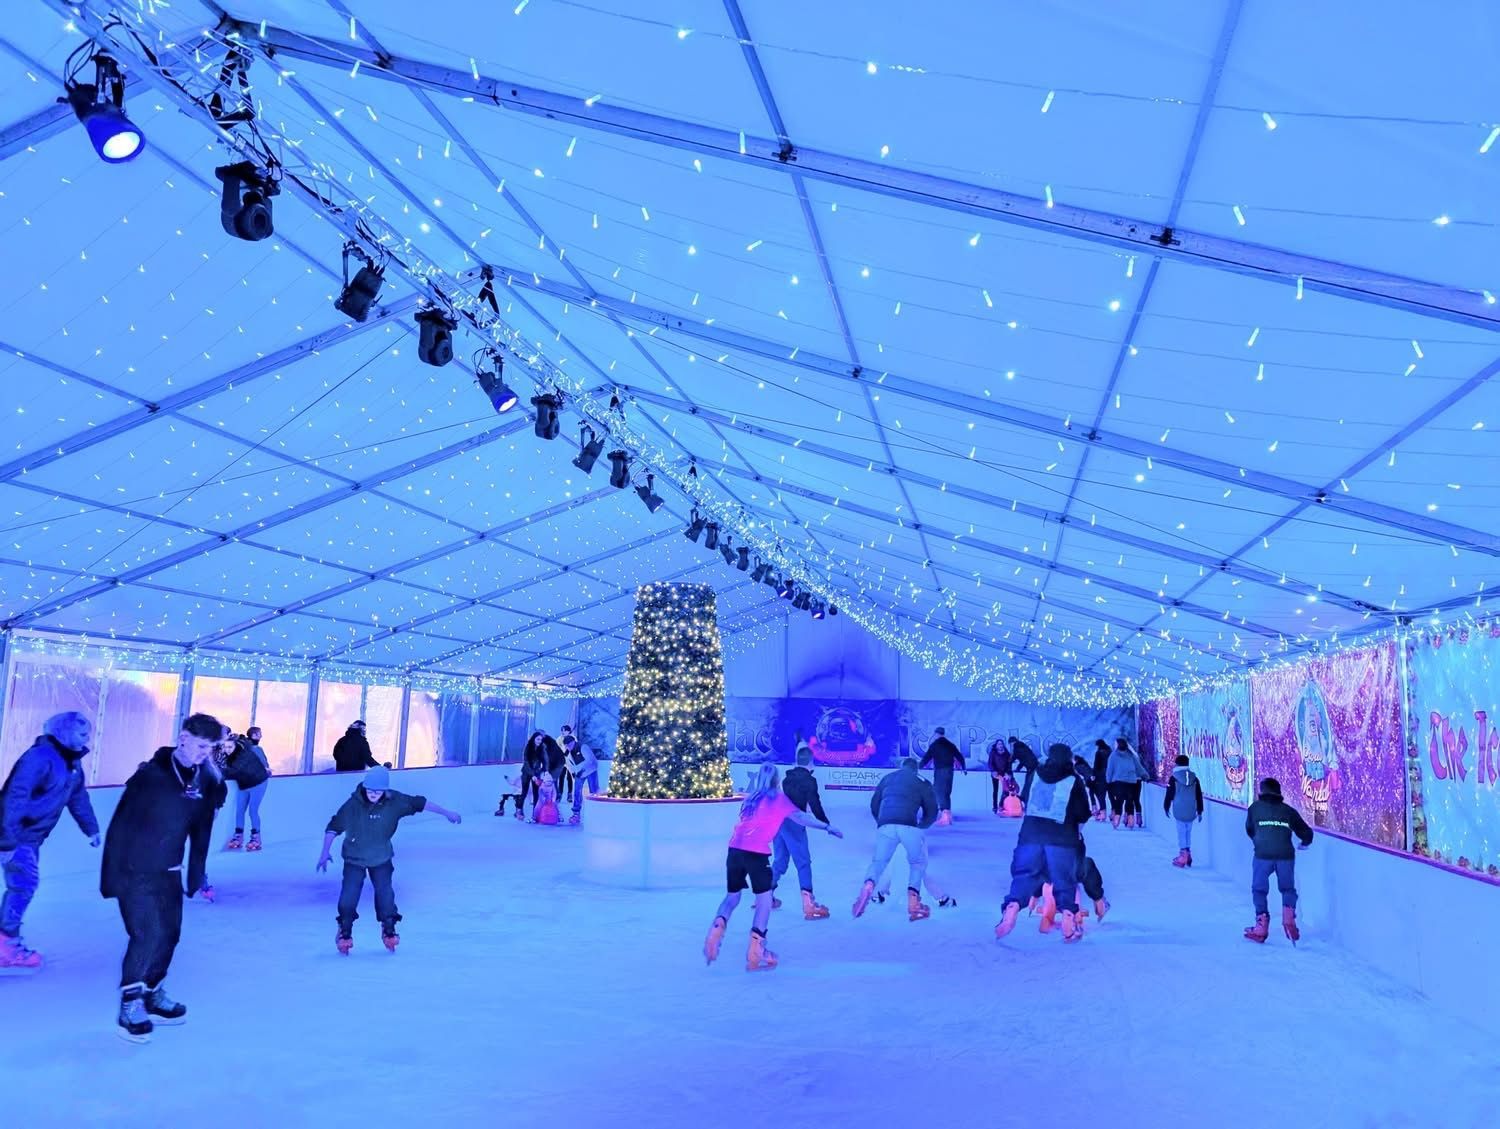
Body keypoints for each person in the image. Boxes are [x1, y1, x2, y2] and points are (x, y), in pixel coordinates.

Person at [100, 712, 224, 1042]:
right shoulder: (150, 777)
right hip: (134, 870)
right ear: (183, 737)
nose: (202, 753)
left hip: (169, 870)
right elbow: (119, 825)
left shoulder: (204, 780)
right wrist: (111, 877)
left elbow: (202, 830)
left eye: (209, 748)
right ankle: (129, 1004)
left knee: (170, 935)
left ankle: (152, 992)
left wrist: (196, 873)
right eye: (199, 745)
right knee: (147, 935)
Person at [703, 764, 842, 972]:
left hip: (734, 850)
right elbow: (801, 818)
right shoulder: (778, 799)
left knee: (732, 897)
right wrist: (827, 827)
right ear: (777, 780)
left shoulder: (750, 798)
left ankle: (718, 923)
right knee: (764, 902)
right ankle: (757, 950)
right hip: (756, 854)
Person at [317, 765, 462, 955]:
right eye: (370, 791)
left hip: (381, 857)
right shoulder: (353, 804)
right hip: (354, 858)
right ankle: (345, 930)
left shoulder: (395, 801)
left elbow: (421, 803)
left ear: (385, 790)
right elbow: (334, 827)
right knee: (349, 894)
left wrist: (447, 813)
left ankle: (388, 927)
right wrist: (324, 852)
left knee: (385, 893)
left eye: (378, 791)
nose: (373, 795)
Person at [0, 711, 101, 972]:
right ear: (64, 732)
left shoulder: (71, 764)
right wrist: (7, 842)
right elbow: (14, 797)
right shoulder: (39, 758)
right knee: (24, 885)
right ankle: (5, 946)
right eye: (82, 733)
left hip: (31, 837)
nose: (87, 738)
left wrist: (91, 829)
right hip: (17, 834)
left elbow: (78, 799)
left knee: (22, 885)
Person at [994, 744, 1092, 942]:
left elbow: (1026, 800)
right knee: (1064, 881)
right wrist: (1076, 831)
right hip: (1062, 839)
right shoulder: (1074, 780)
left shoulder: (1035, 773)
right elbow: (1083, 813)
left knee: (1024, 876)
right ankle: (1068, 922)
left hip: (1030, 836)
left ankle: (1013, 906)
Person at [853, 757, 955, 921]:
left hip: (885, 825)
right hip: (909, 825)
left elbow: (874, 804)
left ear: (901, 767)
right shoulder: (921, 781)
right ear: (916, 770)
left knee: (879, 863)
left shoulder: (887, 778)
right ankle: (914, 901)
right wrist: (922, 826)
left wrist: (882, 821)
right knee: (917, 864)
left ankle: (869, 884)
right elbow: (932, 810)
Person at [1243, 777, 1313, 944]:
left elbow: (1249, 829)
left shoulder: (1254, 808)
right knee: (1288, 889)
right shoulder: (1288, 811)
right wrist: (1304, 843)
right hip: (1285, 855)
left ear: (1262, 791)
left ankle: (1261, 926)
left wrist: (1260, 841)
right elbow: (1307, 833)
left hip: (1262, 855)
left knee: (1259, 890)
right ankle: (1289, 919)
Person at [771, 742, 833, 919]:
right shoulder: (809, 780)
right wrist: (826, 824)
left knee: (780, 860)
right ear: (811, 762)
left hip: (778, 822)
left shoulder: (786, 779)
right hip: (794, 824)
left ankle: (765, 897)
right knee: (803, 862)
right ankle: (809, 904)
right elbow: (815, 804)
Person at [222, 726, 271, 852]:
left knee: (252, 811)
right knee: (239, 810)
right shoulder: (230, 755)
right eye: (225, 747)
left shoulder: (243, 755)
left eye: (230, 747)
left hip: (258, 783)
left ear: (236, 746)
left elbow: (233, 771)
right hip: (244, 784)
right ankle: (238, 836)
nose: (227, 750)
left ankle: (256, 838)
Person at [919, 726, 966, 827]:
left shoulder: (934, 745)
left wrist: (918, 767)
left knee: (939, 792)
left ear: (936, 734)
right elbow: (959, 756)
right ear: (943, 734)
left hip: (940, 771)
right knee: (946, 792)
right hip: (949, 771)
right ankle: (947, 814)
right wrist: (964, 767)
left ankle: (945, 816)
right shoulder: (950, 744)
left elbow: (926, 758)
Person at [1163, 754, 1203, 867]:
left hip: (1179, 807)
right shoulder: (1195, 778)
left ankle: (1183, 855)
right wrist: (1200, 810)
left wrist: (1166, 806)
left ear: (1177, 764)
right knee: (1188, 830)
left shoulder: (1173, 777)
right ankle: (1188, 853)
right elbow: (1199, 795)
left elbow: (1169, 793)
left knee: (1181, 831)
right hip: (1191, 808)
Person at [1106, 738, 1143, 828]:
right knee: (1130, 801)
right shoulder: (1131, 755)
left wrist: (1108, 780)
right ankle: (1131, 821)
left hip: (1119, 781)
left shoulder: (1113, 755)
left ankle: (1116, 820)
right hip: (1131, 781)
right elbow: (1138, 767)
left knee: (1119, 800)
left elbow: (1110, 769)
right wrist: (1145, 776)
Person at [516, 732, 550, 820]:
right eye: (538, 739)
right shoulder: (528, 748)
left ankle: (536, 813)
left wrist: (546, 771)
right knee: (524, 792)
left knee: (536, 794)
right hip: (527, 772)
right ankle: (519, 810)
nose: (539, 741)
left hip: (537, 772)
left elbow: (545, 760)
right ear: (533, 739)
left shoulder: (542, 748)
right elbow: (526, 763)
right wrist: (532, 775)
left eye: (541, 740)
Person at [567, 738, 600, 825]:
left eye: (569, 744)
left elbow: (591, 760)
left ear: (573, 742)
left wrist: (582, 770)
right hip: (579, 773)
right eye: (567, 745)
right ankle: (576, 813)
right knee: (577, 791)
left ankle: (596, 811)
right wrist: (574, 773)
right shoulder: (569, 752)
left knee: (594, 791)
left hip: (590, 770)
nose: (568, 747)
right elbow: (569, 764)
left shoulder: (583, 747)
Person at [985, 739, 1011, 814]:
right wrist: (993, 771)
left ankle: (1001, 805)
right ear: (996, 745)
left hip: (1004, 773)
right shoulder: (993, 753)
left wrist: (1007, 772)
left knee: (1006, 790)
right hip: (995, 773)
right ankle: (995, 806)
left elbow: (1009, 764)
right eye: (999, 744)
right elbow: (990, 763)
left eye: (1001, 744)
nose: (1000, 745)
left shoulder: (1006, 753)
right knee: (995, 790)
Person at [1089, 739, 1111, 820]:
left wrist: (1093, 775)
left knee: (1101, 795)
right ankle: (1113, 813)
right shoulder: (1110, 751)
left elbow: (1096, 765)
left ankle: (1102, 813)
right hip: (1110, 775)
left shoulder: (1098, 753)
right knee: (1109, 795)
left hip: (1100, 776)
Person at [559, 725, 577, 803]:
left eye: (564, 730)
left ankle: (570, 794)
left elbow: (573, 749)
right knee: (561, 776)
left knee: (570, 777)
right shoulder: (559, 739)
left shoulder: (573, 738)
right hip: (562, 761)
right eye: (562, 730)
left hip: (570, 761)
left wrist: (566, 753)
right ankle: (559, 794)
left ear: (568, 731)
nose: (563, 732)